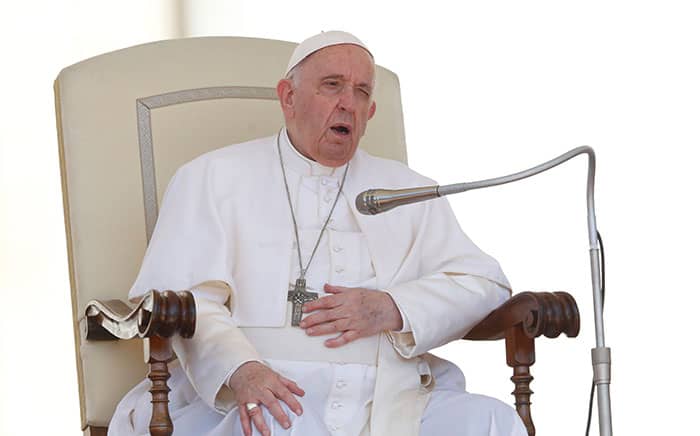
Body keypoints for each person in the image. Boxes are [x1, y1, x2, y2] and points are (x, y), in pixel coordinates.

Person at [108, 31, 528, 436]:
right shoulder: (212, 177)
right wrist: (241, 371)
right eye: (332, 85)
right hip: (262, 391)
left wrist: (395, 307)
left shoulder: (405, 189)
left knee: (493, 422)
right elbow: (185, 298)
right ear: (288, 98)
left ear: (371, 113)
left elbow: (484, 283)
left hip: (388, 397)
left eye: (362, 92)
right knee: (273, 422)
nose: (348, 103)